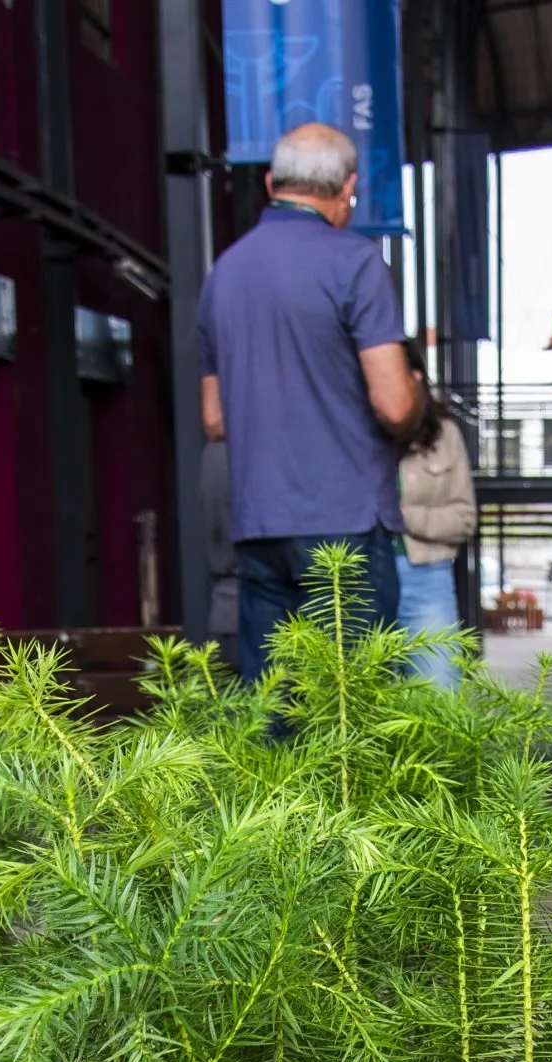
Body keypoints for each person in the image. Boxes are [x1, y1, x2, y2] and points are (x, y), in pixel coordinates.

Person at [197, 122, 424, 679]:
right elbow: (394, 406)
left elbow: (215, 419)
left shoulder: (224, 273)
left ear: (272, 182)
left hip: (260, 527)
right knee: (355, 713)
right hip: (344, 528)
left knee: (274, 717)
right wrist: (416, 392)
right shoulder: (355, 262)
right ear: (349, 188)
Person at [394, 338, 476, 686]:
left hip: (425, 577)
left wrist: (405, 517)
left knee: (440, 699)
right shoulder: (345, 433)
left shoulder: (444, 434)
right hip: (356, 581)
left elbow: (465, 518)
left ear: (414, 377)